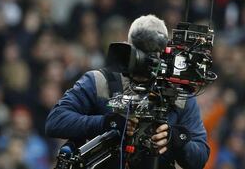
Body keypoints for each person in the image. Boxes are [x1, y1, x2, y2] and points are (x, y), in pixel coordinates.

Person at [45, 14, 209, 169]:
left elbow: (200, 157)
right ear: (128, 47)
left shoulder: (178, 95)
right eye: (141, 52)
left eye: (153, 54)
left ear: (165, 54)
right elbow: (55, 121)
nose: (146, 61)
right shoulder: (100, 82)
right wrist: (107, 123)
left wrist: (175, 139)